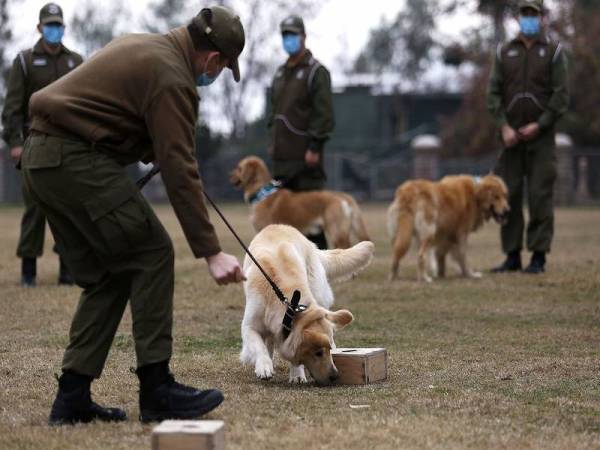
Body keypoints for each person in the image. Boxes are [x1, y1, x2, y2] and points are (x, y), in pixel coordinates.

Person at [21, 6, 246, 425]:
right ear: (213, 59)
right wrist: (211, 252)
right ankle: (157, 387)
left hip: (42, 158)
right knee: (153, 251)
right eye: (222, 67)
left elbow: (117, 118)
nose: (215, 75)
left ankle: (72, 396)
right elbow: (180, 167)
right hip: (73, 159)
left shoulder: (146, 46)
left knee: (111, 272)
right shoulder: (174, 77)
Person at [1, 3, 82, 287]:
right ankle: (28, 271)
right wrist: (14, 142)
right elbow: (11, 108)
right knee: (34, 209)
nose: (54, 29)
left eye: (58, 24)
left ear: (64, 27)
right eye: (49, 25)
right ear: (39, 27)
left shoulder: (76, 62)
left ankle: (68, 270)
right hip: (33, 145)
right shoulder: (24, 61)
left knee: (69, 208)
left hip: (69, 146)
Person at [487, 0, 569, 274]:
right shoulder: (504, 52)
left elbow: (561, 96)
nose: (529, 18)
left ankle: (538, 257)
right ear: (518, 17)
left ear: (541, 17)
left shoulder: (553, 52)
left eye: (533, 14)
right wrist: (503, 126)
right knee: (506, 195)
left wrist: (541, 124)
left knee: (540, 195)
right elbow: (493, 94)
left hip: (541, 139)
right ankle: (511, 256)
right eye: (525, 14)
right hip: (510, 138)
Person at [267, 15, 335, 249]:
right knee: (285, 223)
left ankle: (322, 270)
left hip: (305, 162)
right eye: (285, 35)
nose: (288, 39)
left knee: (311, 224)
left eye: (292, 34)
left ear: (303, 37)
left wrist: (315, 146)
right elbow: (274, 112)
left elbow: (324, 115)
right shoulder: (279, 73)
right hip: (282, 162)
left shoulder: (316, 72)